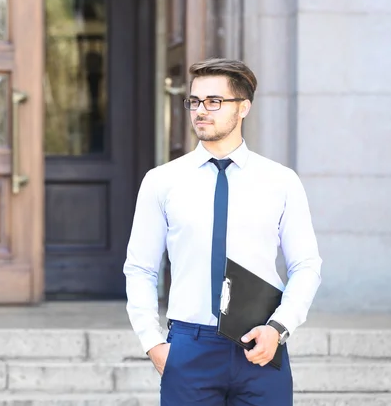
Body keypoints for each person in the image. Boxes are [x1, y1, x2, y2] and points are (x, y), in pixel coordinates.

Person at [123, 58, 322, 405]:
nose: (201, 110)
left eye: (214, 101)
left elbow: (306, 265)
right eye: (194, 101)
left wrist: (278, 328)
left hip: (260, 343)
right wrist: (152, 343)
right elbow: (140, 268)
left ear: (243, 107)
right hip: (189, 346)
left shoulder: (281, 181)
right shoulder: (162, 181)